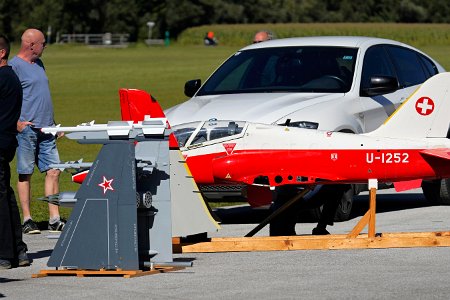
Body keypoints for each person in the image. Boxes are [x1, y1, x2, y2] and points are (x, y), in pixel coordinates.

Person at [9, 28, 65, 235]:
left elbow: (42, 96)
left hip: (47, 128)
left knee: (54, 171)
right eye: (43, 43)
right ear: (32, 45)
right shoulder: (14, 67)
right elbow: (7, 98)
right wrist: (16, 123)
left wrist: (54, 123)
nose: (45, 46)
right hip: (27, 130)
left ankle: (54, 218)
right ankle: (27, 219)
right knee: (25, 173)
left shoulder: (39, 64)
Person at [0, 34, 30, 269]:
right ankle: (18, 250)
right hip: (7, 141)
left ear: (1, 53)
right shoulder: (11, 77)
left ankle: (5, 252)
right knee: (6, 195)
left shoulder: (3, 77)